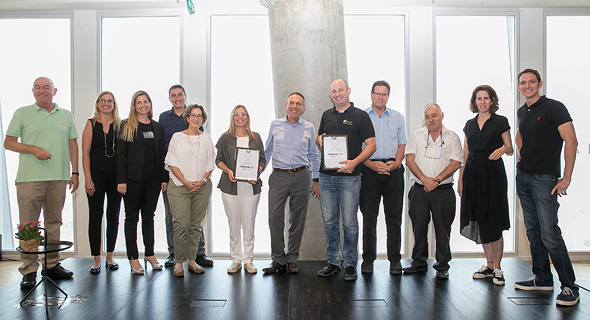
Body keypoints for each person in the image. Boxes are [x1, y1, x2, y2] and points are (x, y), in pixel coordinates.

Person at [514, 68, 580, 306]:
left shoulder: (554, 107)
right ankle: (542, 278)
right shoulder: (523, 111)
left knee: (550, 233)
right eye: (523, 82)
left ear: (539, 84)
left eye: (531, 82)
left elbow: (571, 141)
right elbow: (519, 136)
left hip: (546, 179)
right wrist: (522, 155)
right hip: (524, 178)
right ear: (519, 86)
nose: (527, 85)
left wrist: (567, 177)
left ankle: (569, 287)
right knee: (533, 231)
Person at [4, 77, 78, 289]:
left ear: (55, 91)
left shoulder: (65, 115)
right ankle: (29, 270)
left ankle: (51, 265)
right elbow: (8, 142)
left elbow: (72, 144)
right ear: (33, 91)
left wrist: (75, 173)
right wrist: (33, 149)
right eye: (37, 87)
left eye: (46, 87)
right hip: (30, 178)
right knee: (29, 226)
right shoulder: (22, 113)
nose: (42, 90)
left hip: (58, 178)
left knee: (54, 223)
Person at [315, 79, 376, 281]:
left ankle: (350, 263)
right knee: (330, 222)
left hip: (350, 178)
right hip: (326, 178)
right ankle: (333, 261)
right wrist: (319, 140)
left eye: (341, 90)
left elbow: (371, 145)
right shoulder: (326, 115)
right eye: (334, 91)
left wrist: (354, 162)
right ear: (330, 94)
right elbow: (319, 139)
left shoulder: (361, 116)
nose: (338, 94)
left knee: (349, 223)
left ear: (348, 91)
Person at [458, 85, 513, 286]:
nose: (482, 101)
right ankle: (489, 264)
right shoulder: (469, 124)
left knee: (494, 218)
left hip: (493, 174)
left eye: (486, 98)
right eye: (479, 98)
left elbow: (510, 148)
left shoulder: (500, 121)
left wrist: (501, 149)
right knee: (480, 218)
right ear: (475, 101)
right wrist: (461, 179)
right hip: (472, 174)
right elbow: (465, 154)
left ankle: (498, 268)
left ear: (492, 101)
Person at [262, 92, 320, 274]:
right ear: (286, 105)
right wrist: (256, 172)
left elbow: (313, 155)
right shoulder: (275, 125)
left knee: (297, 218)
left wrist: (316, 179)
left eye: (299, 104)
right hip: (278, 176)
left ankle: (292, 258)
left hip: (301, 176)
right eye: (292, 103)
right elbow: (267, 151)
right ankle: (278, 258)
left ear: (303, 108)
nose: (295, 106)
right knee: (275, 218)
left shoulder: (309, 127)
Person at [403, 103, 462, 279]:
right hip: (420, 189)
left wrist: (435, 180)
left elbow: (456, 162)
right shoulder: (416, 135)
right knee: (419, 227)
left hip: (443, 190)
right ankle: (419, 262)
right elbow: (410, 160)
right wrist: (425, 179)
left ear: (442, 115)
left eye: (434, 115)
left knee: (443, 229)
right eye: (427, 117)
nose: (431, 120)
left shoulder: (452, 137)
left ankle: (442, 265)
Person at [159, 84, 212, 268]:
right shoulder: (164, 118)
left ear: (185, 96)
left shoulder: (204, 135)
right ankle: (174, 255)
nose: (177, 98)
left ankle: (198, 254)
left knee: (195, 221)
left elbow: (206, 158)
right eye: (173, 95)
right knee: (175, 219)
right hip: (173, 176)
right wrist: (165, 177)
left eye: (180, 95)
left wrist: (201, 180)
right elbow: (161, 149)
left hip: (198, 180)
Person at [116, 90, 168, 275]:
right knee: (131, 218)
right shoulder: (126, 126)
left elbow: (162, 154)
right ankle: (132, 257)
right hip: (131, 181)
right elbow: (120, 156)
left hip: (153, 181)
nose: (143, 105)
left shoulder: (157, 127)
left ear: (150, 104)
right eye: (139, 102)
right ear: (134, 106)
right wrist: (121, 180)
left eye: (146, 101)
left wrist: (163, 177)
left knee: (149, 217)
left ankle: (150, 254)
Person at [359, 80, 407, 275]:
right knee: (369, 218)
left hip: (393, 171)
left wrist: (395, 163)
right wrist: (370, 164)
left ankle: (395, 260)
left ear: (388, 96)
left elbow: (402, 144)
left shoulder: (397, 117)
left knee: (393, 219)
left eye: (384, 94)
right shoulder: (362, 117)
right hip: (369, 170)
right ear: (371, 95)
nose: (380, 97)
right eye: (377, 93)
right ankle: (368, 260)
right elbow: (356, 147)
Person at [215, 105, 265, 274]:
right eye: (237, 114)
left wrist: (256, 172)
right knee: (234, 225)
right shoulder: (225, 138)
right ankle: (236, 259)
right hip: (230, 187)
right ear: (232, 117)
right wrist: (228, 171)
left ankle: (249, 260)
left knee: (249, 225)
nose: (240, 117)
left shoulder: (255, 137)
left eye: (243, 114)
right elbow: (219, 160)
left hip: (251, 188)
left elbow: (262, 160)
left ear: (247, 117)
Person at [82, 91, 123, 274]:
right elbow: (85, 153)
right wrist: (88, 179)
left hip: (116, 178)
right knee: (95, 216)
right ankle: (96, 259)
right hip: (96, 177)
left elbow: (124, 154)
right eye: (103, 101)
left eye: (110, 101)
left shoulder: (120, 125)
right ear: (98, 103)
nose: (106, 104)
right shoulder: (91, 124)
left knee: (113, 216)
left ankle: (110, 256)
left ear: (114, 104)